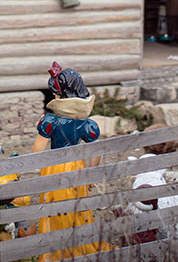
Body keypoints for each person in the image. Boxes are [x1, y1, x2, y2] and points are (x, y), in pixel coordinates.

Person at [31, 62, 111, 262]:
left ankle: (56, 250)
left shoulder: (50, 121)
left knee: (53, 207)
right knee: (78, 207)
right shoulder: (87, 123)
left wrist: (41, 129)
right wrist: (91, 174)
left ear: (60, 95)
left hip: (54, 167)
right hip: (77, 167)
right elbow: (96, 151)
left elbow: (37, 151)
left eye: (55, 93)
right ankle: (77, 244)